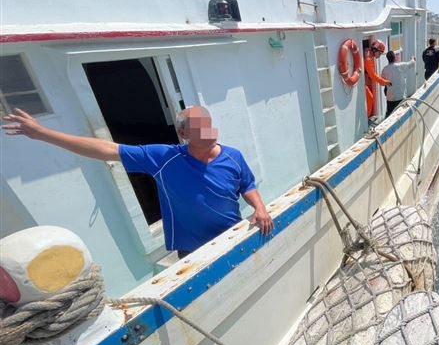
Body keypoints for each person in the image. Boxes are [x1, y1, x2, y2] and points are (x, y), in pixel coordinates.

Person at [2, 106, 273, 258]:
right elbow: (106, 149)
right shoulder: (163, 158)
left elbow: (247, 186)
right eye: (198, 126)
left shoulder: (233, 156)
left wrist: (259, 208)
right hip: (192, 251)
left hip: (234, 236)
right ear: (183, 133)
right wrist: (43, 134)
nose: (208, 130)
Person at [381, 50, 416, 116]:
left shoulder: (385, 69)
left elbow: (382, 83)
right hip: (400, 97)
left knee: (389, 115)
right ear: (395, 58)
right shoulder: (401, 66)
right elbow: (412, 63)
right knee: (401, 114)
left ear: (387, 59)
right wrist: (413, 58)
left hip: (390, 98)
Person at [364, 39, 391, 118]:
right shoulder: (368, 59)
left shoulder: (369, 54)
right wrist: (384, 82)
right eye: (379, 53)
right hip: (361, 83)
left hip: (365, 81)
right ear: (374, 50)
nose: (379, 55)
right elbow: (373, 75)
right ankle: (367, 119)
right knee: (370, 98)